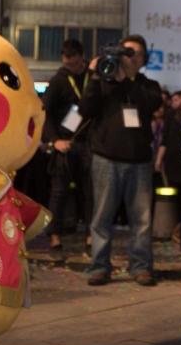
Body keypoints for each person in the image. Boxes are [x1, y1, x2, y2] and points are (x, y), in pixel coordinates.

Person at [79, 35, 162, 287]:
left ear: (143, 59)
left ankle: (141, 266)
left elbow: (150, 104)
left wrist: (126, 80)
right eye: (125, 52)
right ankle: (99, 266)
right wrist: (95, 76)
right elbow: (85, 109)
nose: (128, 57)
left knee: (142, 219)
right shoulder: (106, 81)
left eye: (134, 53)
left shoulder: (148, 85)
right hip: (106, 158)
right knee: (102, 217)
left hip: (139, 161)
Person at [41, 39, 92, 251]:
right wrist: (54, 141)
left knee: (89, 192)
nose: (67, 63)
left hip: (89, 143)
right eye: (65, 60)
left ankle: (91, 232)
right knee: (59, 192)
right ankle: (54, 234)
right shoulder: (58, 80)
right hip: (65, 143)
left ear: (81, 57)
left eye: (71, 60)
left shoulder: (93, 76)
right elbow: (44, 113)